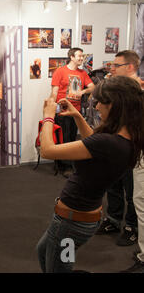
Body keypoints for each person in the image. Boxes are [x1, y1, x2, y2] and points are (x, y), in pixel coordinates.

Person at [37, 76, 144, 273]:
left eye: (100, 102)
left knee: (59, 268)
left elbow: (47, 150)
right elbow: (94, 143)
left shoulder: (109, 142)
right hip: (78, 218)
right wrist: (77, 116)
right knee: (43, 251)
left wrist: (48, 117)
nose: (96, 107)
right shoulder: (124, 138)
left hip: (71, 224)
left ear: (114, 106)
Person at [96, 51, 142, 246]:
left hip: (132, 147)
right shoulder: (115, 88)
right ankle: (114, 220)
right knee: (113, 184)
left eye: (116, 65)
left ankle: (131, 227)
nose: (112, 68)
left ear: (130, 67)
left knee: (132, 190)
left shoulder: (139, 89)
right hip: (113, 143)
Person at [51, 47, 95, 178]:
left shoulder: (83, 73)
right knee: (63, 137)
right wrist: (53, 105)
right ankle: (64, 165)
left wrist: (83, 92)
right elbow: (54, 91)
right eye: (79, 56)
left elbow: (93, 86)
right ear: (71, 57)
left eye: (82, 56)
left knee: (71, 137)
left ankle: (67, 164)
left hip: (75, 110)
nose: (81, 58)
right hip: (62, 110)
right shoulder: (60, 71)